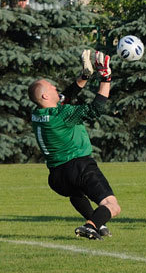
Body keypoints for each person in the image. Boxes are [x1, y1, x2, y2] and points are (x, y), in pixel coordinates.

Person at [29, 50, 120, 240]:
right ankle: (91, 225)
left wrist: (84, 76)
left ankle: (98, 224)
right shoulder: (63, 115)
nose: (55, 88)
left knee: (76, 193)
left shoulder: (37, 113)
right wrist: (106, 76)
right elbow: (96, 108)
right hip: (78, 165)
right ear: (45, 97)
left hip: (57, 176)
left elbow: (65, 96)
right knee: (112, 205)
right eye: (51, 87)